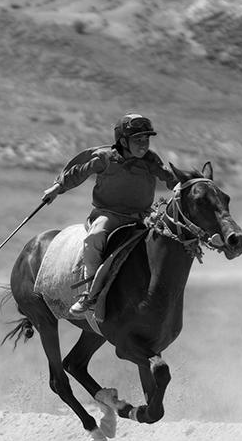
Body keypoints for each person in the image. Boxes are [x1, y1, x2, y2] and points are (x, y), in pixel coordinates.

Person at [41, 113, 178, 315]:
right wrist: (57, 187)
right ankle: (89, 293)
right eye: (137, 139)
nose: (143, 144)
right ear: (123, 141)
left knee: (167, 239)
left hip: (142, 216)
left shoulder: (151, 160)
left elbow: (169, 177)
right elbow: (79, 172)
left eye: (146, 139)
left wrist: (181, 186)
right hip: (110, 215)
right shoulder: (104, 158)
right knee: (94, 237)